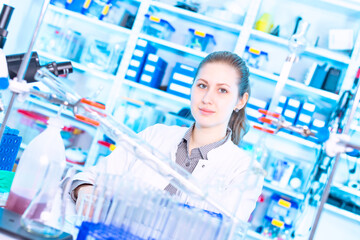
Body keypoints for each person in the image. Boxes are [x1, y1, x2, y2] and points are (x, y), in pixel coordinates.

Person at [69, 51, 264, 222]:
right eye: (202, 86)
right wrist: (86, 191)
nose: (207, 99)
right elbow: (87, 178)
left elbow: (223, 233)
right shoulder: (154, 135)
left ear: (241, 100)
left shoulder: (246, 172)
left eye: (222, 90)